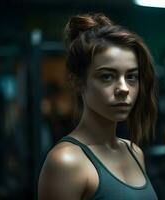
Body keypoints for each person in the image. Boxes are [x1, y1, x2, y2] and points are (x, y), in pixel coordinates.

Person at [38, 13, 158, 200]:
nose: (124, 89)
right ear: (77, 81)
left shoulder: (134, 152)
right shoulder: (66, 162)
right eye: (107, 76)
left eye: (131, 77)